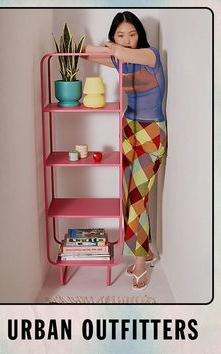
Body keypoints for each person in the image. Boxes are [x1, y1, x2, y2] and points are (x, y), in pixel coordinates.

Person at [83, 11, 167, 290]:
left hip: (151, 132)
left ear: (140, 35)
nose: (127, 40)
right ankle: (148, 252)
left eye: (132, 34)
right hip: (128, 130)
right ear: (113, 36)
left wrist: (114, 48)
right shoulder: (121, 60)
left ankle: (141, 264)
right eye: (120, 35)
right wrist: (107, 48)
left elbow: (122, 53)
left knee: (137, 198)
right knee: (127, 198)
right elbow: (83, 53)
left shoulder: (149, 55)